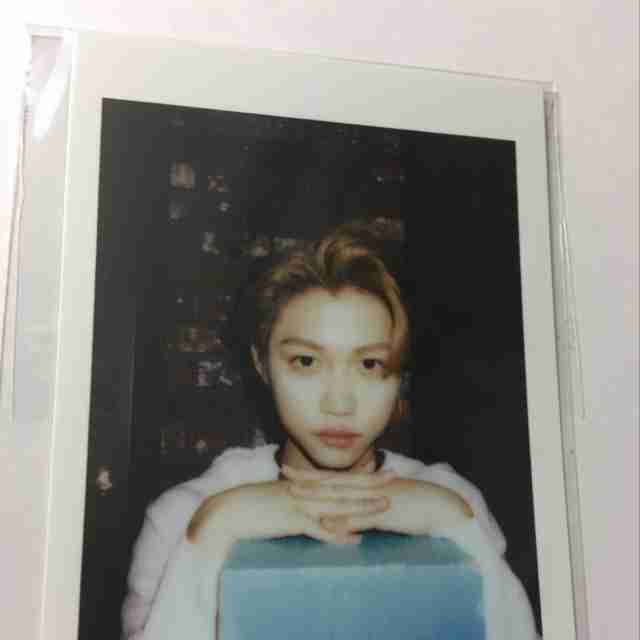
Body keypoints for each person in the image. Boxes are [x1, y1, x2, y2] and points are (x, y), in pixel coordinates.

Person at [122, 220, 539, 640]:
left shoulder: (451, 500)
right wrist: (213, 531)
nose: (339, 403)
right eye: (306, 361)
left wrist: (455, 524)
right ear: (262, 365)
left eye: (370, 364)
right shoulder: (183, 516)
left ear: (399, 376)